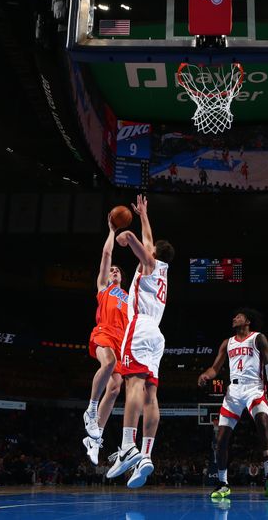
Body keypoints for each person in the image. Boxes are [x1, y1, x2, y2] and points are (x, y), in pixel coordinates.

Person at [106, 194, 175, 489]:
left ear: (154, 252)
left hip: (140, 328)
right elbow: (151, 242)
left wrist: (127, 236)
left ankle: (127, 446)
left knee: (132, 385)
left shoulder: (150, 264)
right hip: (157, 335)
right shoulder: (163, 273)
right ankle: (146, 455)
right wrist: (144, 215)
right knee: (151, 395)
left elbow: (143, 248)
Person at [197, 309, 268, 499]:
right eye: (234, 315)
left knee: (262, 422)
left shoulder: (258, 338)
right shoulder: (227, 343)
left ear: (247, 321)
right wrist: (206, 375)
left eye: (238, 316)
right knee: (220, 441)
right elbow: (215, 368)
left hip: (255, 388)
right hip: (233, 393)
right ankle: (223, 484)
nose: (234, 318)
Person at [83, 214, 129, 466]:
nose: (113, 271)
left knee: (115, 388)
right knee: (108, 362)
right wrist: (112, 231)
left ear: (122, 276)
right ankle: (90, 409)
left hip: (122, 342)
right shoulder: (104, 288)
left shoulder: (128, 296)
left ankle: (94, 439)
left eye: (116, 271)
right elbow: (106, 255)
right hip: (103, 333)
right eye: (111, 270)